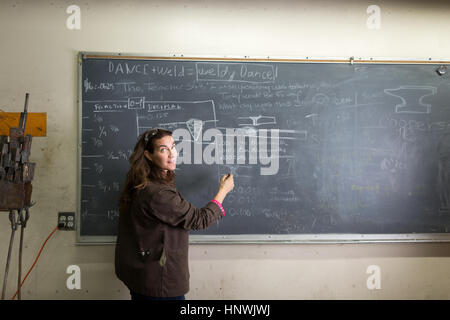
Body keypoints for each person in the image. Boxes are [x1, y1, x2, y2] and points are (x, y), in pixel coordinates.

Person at [114, 128, 234, 300]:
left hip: (141, 275)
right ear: (148, 155)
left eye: (173, 147)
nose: (172, 154)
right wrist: (223, 191)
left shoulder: (141, 182)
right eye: (163, 149)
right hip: (159, 281)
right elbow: (199, 219)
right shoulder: (157, 193)